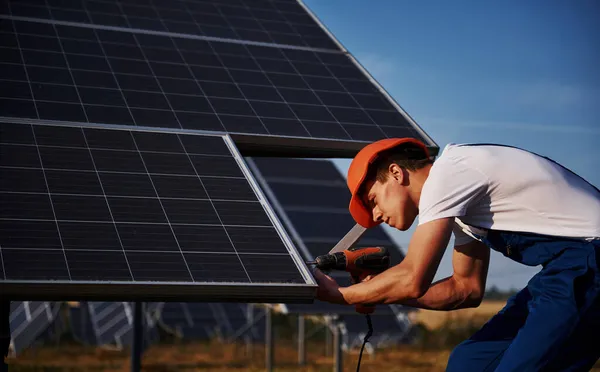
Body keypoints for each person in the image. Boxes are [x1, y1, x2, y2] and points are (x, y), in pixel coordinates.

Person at [313, 137, 600, 371]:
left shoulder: (448, 173)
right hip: (565, 267)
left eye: (373, 200)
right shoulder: (462, 209)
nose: (375, 215)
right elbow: (465, 289)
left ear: (396, 173)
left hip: (587, 261)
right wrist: (378, 290)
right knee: (468, 363)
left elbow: (413, 277)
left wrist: (344, 295)